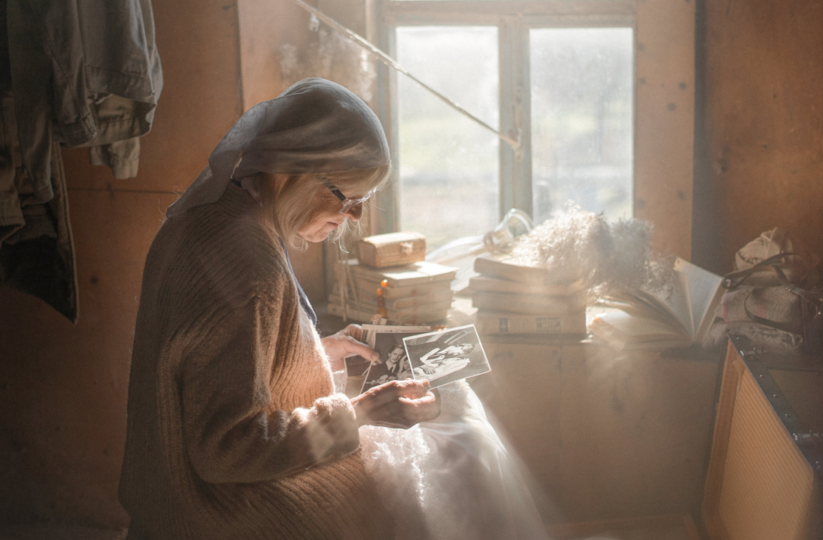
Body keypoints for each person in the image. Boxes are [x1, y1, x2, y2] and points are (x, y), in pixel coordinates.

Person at [121, 78, 548, 540]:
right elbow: (226, 449)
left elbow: (221, 367)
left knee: (454, 423)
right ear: (297, 173)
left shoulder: (212, 212)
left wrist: (312, 355)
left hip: (171, 496)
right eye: (350, 197)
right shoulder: (245, 258)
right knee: (466, 453)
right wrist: (356, 415)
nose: (356, 216)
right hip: (220, 512)